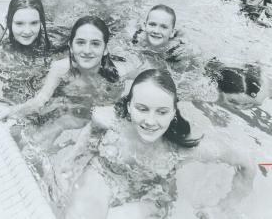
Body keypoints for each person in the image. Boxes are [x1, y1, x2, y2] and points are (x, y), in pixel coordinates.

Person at [64, 69, 255, 219]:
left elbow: (247, 163)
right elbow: (91, 132)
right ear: (129, 106)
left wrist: (223, 208)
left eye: (161, 112)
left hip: (151, 196)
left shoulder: (183, 149)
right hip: (105, 174)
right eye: (142, 109)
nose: (150, 121)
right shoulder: (109, 120)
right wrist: (70, 165)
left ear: (173, 113)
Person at [0, 16, 129, 136]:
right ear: (71, 46)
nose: (87, 50)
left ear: (105, 50)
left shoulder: (121, 73)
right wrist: (12, 110)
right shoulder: (60, 68)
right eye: (80, 42)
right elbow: (40, 100)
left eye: (95, 44)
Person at [0, 0, 52, 105]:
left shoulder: (54, 47)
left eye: (34, 23)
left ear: (41, 23)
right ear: (9, 22)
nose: (27, 31)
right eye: (19, 23)